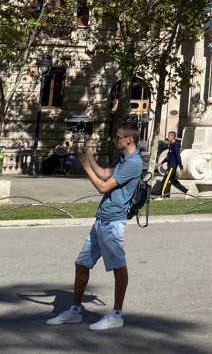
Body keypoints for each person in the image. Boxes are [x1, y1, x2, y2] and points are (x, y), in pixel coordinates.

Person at [46, 122, 143, 331]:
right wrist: (90, 159)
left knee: (118, 267)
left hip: (113, 222)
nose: (115, 140)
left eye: (118, 137)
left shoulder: (134, 163)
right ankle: (75, 310)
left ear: (129, 140)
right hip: (101, 219)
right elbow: (106, 173)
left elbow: (102, 186)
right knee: (81, 264)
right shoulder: (123, 159)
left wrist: (85, 166)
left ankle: (117, 314)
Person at [157, 131, 189, 198]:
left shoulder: (175, 145)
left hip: (172, 167)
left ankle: (162, 196)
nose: (168, 138)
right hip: (170, 166)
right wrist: (161, 162)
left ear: (172, 137)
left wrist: (181, 167)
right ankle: (187, 191)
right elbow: (168, 157)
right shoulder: (171, 145)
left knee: (165, 181)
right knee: (173, 181)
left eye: (169, 136)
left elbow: (178, 156)